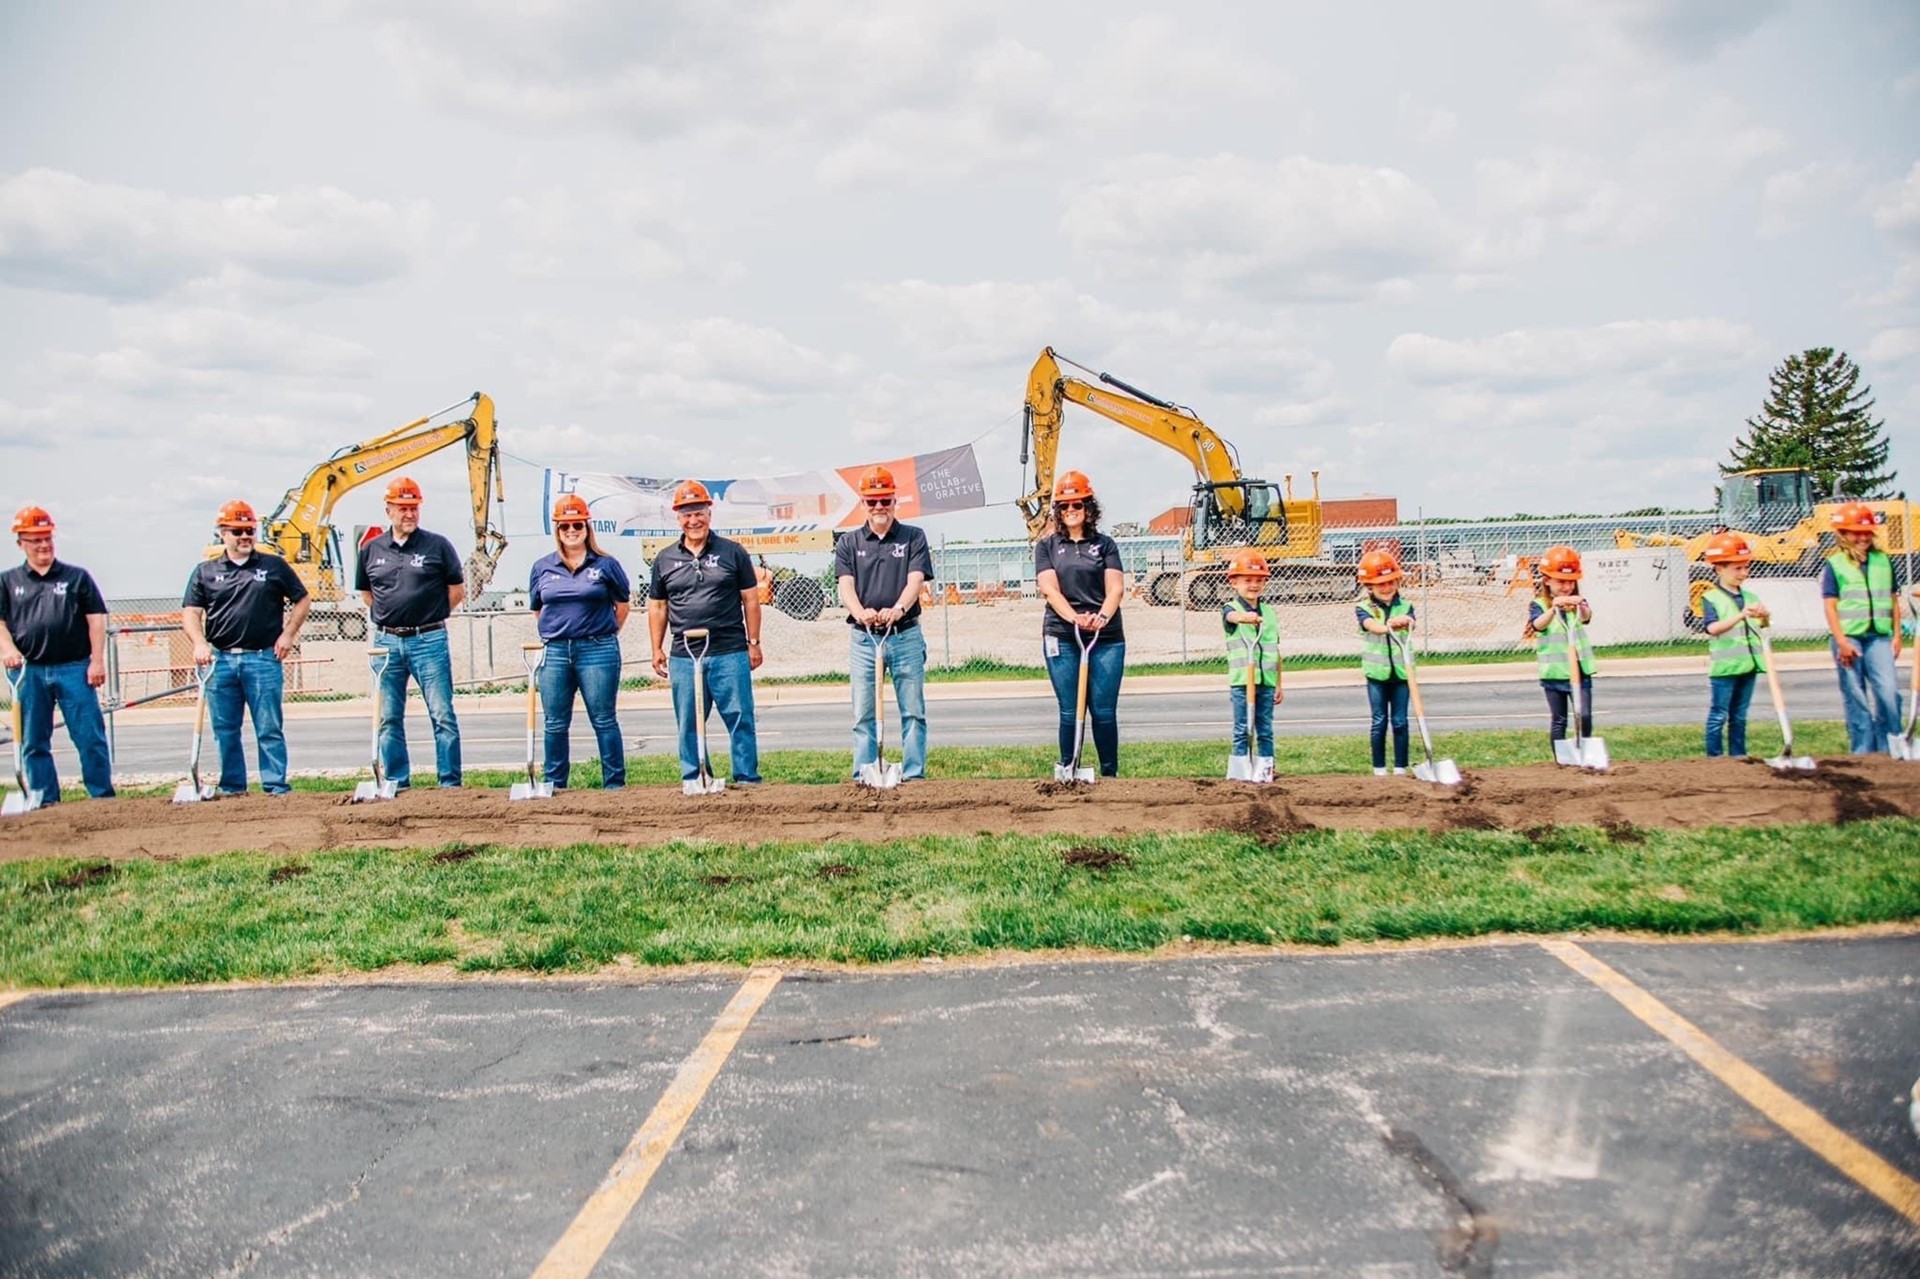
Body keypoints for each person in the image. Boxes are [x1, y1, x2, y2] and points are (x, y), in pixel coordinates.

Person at [180, 500, 312, 794]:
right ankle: (233, 788)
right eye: (238, 530)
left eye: (250, 530)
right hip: (221, 662)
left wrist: (288, 633)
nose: (245, 537)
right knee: (225, 730)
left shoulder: (273, 565)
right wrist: (200, 643)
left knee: (269, 728)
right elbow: (191, 612)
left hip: (263, 659)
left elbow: (302, 599)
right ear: (223, 532)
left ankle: (275, 786)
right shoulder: (206, 571)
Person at [648, 480, 764, 785]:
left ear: (709, 513)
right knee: (689, 721)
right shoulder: (665, 559)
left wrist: (753, 643)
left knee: (740, 717)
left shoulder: (733, 552)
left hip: (729, 650)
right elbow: (658, 606)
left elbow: (750, 600)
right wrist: (656, 648)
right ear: (678, 517)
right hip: (684, 654)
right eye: (686, 514)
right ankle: (695, 776)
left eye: (698, 512)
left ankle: (747, 778)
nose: (693, 520)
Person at [354, 476, 465, 789]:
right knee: (389, 716)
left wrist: (428, 615)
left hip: (428, 640)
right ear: (388, 509)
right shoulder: (371, 550)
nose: (409, 514)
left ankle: (449, 782)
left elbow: (456, 590)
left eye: (414, 507)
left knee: (441, 712)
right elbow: (367, 594)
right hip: (387, 642)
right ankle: (396, 780)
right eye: (402, 508)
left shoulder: (437, 546)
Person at [0, 506, 114, 802]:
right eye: (35, 539)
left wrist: (97, 660)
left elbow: (96, 619)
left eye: (47, 538)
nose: (43, 545)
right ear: (20, 543)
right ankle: (43, 799)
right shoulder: (8, 582)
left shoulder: (77, 578)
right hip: (30, 671)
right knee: (34, 741)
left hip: (74, 668)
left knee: (90, 738)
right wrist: (9, 650)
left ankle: (101, 798)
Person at [835, 465, 934, 781]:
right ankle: (865, 773)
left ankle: (914, 773)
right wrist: (860, 610)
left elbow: (915, 580)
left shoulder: (913, 537)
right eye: (872, 502)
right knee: (863, 713)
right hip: (864, 639)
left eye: (885, 501)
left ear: (894, 501)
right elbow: (845, 585)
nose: (879, 507)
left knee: (913, 711)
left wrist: (899, 609)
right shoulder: (848, 543)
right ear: (863, 504)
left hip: (904, 635)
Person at [530, 494, 631, 789]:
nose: (571, 531)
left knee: (603, 719)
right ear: (557, 530)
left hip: (597, 650)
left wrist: (605, 633)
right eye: (565, 526)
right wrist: (557, 632)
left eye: (577, 525)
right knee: (555, 723)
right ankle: (555, 783)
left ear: (587, 527)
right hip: (556, 651)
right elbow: (539, 609)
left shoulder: (606, 565)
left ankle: (614, 783)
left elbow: (622, 606)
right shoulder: (542, 567)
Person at [1034, 471, 1125, 777]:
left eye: (1077, 505)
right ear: (1057, 511)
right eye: (1064, 506)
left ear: (1088, 507)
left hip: (1106, 637)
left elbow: (1115, 588)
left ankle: (1110, 773)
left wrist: (1101, 617)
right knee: (1070, 709)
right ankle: (1068, 768)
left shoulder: (1106, 545)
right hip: (1062, 634)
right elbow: (1049, 588)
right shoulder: (1046, 547)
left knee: (1102, 711)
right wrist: (1074, 617)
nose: (1070, 511)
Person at [1821, 502, 1903, 754]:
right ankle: (1863, 753)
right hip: (1849, 639)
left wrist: (1897, 635)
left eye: (1867, 532)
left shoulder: (1883, 561)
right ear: (1843, 534)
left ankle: (1890, 747)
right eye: (1856, 532)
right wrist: (1841, 641)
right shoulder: (1835, 565)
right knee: (1856, 697)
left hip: (1878, 637)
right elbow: (1830, 607)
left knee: (1889, 692)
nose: (1863, 537)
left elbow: (1893, 600)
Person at [1699, 532, 1769, 759]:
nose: (1744, 573)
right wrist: (1740, 616)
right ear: (1719, 569)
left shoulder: (1750, 596)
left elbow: (1763, 625)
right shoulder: (1711, 598)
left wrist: (1764, 615)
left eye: (1745, 567)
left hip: (1748, 665)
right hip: (1725, 668)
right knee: (1719, 714)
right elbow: (1712, 628)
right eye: (1737, 568)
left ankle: (1739, 756)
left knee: (1739, 716)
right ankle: (1715, 758)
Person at [1221, 549, 1282, 780]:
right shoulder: (1231, 608)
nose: (1253, 585)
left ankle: (1266, 769)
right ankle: (1240, 772)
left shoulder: (1269, 613)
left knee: (1265, 729)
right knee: (1242, 728)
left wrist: (1278, 683)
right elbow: (1230, 618)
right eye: (1247, 580)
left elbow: (1275, 651)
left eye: (1258, 580)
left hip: (1266, 681)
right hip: (1241, 682)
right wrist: (1243, 618)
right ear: (1234, 582)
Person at [1525, 545, 1595, 745]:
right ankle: (1561, 759)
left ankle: (1585, 749)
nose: (1567, 587)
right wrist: (1554, 608)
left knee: (1585, 715)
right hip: (1554, 672)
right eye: (1561, 582)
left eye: (1571, 583)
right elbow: (1537, 625)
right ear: (1547, 580)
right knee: (1559, 719)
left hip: (1580, 670)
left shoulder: (1577, 603)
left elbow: (1586, 617)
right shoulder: (1539, 604)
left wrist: (1579, 604)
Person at [1356, 548, 1415, 776]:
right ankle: (1379, 768)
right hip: (1377, 675)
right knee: (1379, 721)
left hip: (1401, 674)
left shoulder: (1406, 606)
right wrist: (1387, 627)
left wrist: (1406, 620)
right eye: (1380, 584)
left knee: (1400, 721)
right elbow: (1370, 625)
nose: (1386, 587)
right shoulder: (1363, 608)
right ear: (1369, 586)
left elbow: (1412, 621)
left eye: (1391, 582)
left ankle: (1400, 767)